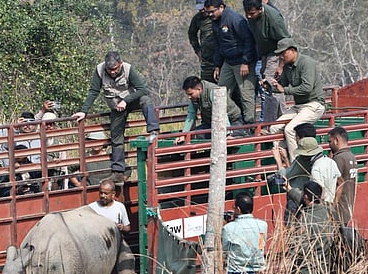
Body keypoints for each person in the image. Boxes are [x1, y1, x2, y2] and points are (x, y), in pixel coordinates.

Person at [73, 51, 160, 185]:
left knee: (145, 100)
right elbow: (94, 91)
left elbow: (143, 89)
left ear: (120, 64)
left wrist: (126, 100)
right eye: (110, 69)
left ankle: (154, 130)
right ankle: (118, 172)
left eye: (115, 69)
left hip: (130, 101)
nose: (113, 72)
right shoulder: (99, 70)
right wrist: (84, 111)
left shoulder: (128, 69)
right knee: (116, 138)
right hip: (116, 107)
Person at [268, 38, 326, 161]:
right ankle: (282, 158)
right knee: (274, 128)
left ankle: (296, 162)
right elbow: (281, 85)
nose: (282, 57)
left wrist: (284, 90)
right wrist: (269, 86)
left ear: (292, 50)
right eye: (280, 54)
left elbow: (307, 88)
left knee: (290, 129)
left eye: (283, 53)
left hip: (314, 104)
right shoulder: (287, 67)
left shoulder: (306, 63)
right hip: (299, 106)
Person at [204, 0, 258, 126]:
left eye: (212, 11)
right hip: (228, 62)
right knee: (220, 93)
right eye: (208, 12)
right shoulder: (215, 22)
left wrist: (245, 62)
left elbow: (249, 40)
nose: (210, 15)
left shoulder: (235, 19)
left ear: (221, 7)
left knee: (246, 94)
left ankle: (250, 125)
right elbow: (218, 45)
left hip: (242, 62)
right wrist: (217, 65)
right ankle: (229, 120)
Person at [243, 0, 290, 117]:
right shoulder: (251, 17)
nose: (249, 16)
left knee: (270, 85)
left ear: (260, 9)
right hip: (263, 54)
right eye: (247, 13)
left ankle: (272, 121)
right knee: (270, 86)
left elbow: (285, 41)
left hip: (276, 54)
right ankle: (281, 118)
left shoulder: (273, 18)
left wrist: (281, 65)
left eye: (252, 13)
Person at [176, 76, 245, 143]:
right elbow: (191, 114)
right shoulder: (194, 98)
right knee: (193, 136)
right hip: (211, 124)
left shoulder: (213, 91)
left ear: (198, 89)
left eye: (191, 94)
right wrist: (184, 135)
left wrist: (227, 134)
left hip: (232, 120)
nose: (189, 97)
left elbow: (222, 114)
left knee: (234, 138)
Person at [328, 126, 358, 225]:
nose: (329, 145)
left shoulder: (339, 158)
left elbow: (337, 183)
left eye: (330, 141)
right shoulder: (352, 156)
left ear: (336, 140)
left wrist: (332, 206)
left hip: (338, 208)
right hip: (348, 206)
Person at [188, 0, 215, 82]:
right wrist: (198, 50)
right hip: (207, 60)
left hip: (222, 58)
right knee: (207, 84)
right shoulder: (198, 18)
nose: (202, 10)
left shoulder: (220, 15)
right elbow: (192, 34)